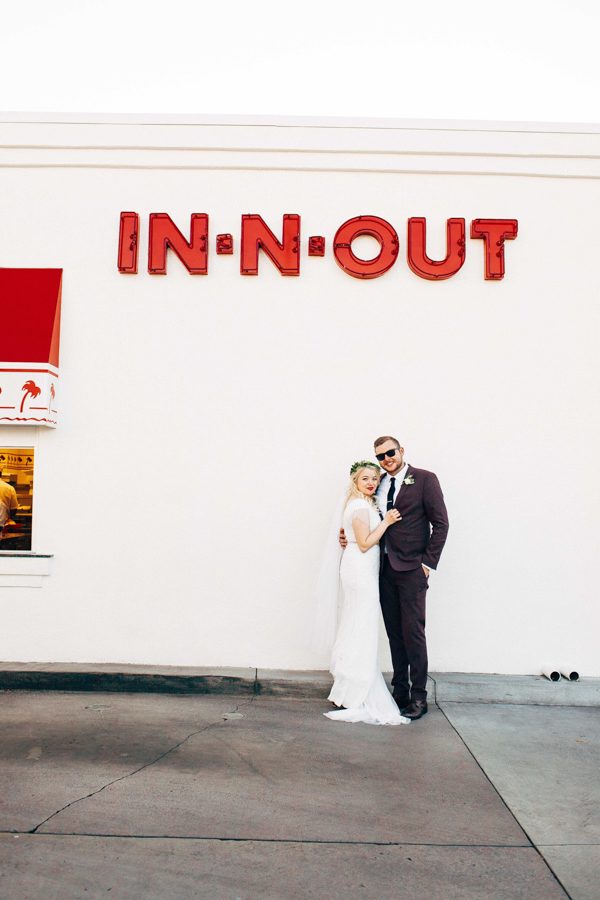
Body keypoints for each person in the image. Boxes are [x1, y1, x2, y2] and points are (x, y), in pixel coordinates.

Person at [325, 461, 411, 726]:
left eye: (375, 478)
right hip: (360, 570)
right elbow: (364, 543)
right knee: (362, 623)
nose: (372, 482)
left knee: (356, 623)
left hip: (360, 568)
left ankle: (349, 687)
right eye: (366, 479)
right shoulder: (361, 506)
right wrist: (386, 522)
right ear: (355, 482)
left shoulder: (361, 504)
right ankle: (358, 689)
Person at [369, 435, 449, 720]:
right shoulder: (377, 483)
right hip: (383, 568)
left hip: (413, 569)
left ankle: (418, 696)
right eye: (380, 456)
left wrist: (427, 564)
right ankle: (399, 690)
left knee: (413, 633)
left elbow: (441, 524)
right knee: (393, 633)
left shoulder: (425, 479)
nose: (386, 459)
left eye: (390, 453)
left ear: (401, 451)